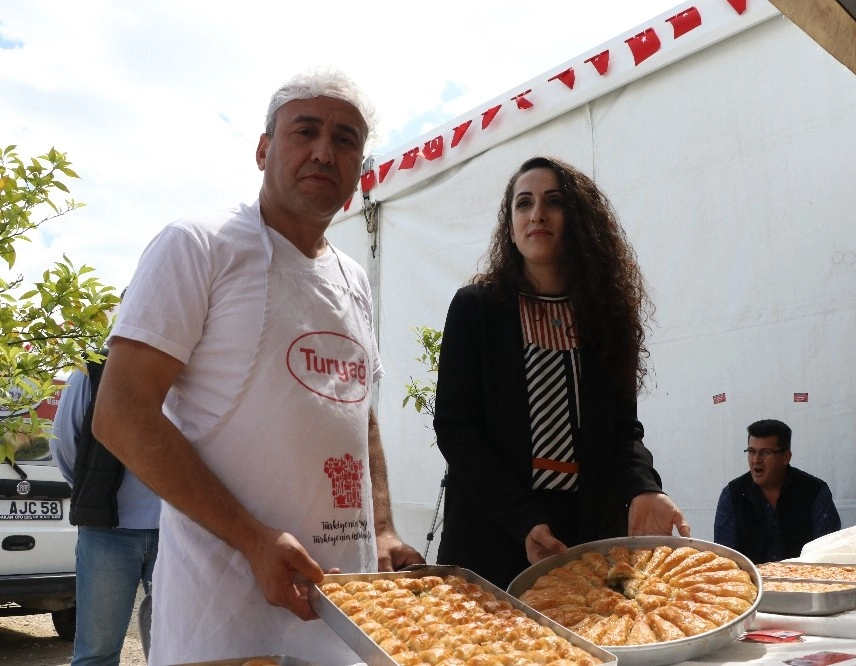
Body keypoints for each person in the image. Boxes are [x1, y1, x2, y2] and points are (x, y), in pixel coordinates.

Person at [91, 67, 423, 665]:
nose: (325, 150)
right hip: (222, 616)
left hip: (344, 611)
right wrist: (253, 540)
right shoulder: (199, 245)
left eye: (346, 139)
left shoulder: (352, 279)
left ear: (358, 171)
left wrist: (384, 529)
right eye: (306, 130)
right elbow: (120, 413)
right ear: (264, 148)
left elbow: (358, 413)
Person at [433, 155, 690, 590]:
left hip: (586, 537)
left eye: (554, 202)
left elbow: (623, 430)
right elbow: (456, 429)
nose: (537, 214)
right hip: (493, 531)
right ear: (510, 227)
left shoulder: (607, 315)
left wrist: (644, 488)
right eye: (523, 203)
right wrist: (523, 519)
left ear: (579, 221)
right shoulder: (476, 308)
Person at [51, 355, 159, 666]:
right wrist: (93, 489)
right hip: (107, 530)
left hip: (181, 531)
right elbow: (64, 443)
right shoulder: (93, 368)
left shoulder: (197, 365)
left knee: (180, 653)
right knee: (96, 654)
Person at [714, 419, 841, 564]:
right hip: (750, 584)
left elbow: (828, 552)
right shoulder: (732, 494)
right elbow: (724, 557)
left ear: (786, 457)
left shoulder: (814, 491)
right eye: (751, 451)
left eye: (765, 453)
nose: (756, 460)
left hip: (804, 582)